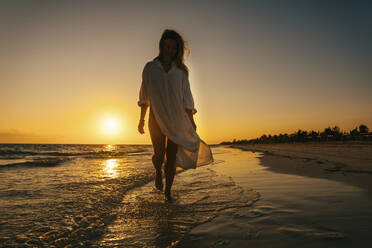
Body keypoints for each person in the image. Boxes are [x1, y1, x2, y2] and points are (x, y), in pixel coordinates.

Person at [137, 29, 214, 201]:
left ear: (177, 49)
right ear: (162, 46)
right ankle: (158, 171)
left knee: (170, 158)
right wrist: (141, 120)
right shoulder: (150, 68)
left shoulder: (181, 71)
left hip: (176, 120)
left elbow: (187, 97)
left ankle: (168, 192)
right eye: (167, 46)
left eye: (174, 47)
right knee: (159, 154)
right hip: (155, 119)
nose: (170, 50)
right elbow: (144, 96)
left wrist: (191, 121)